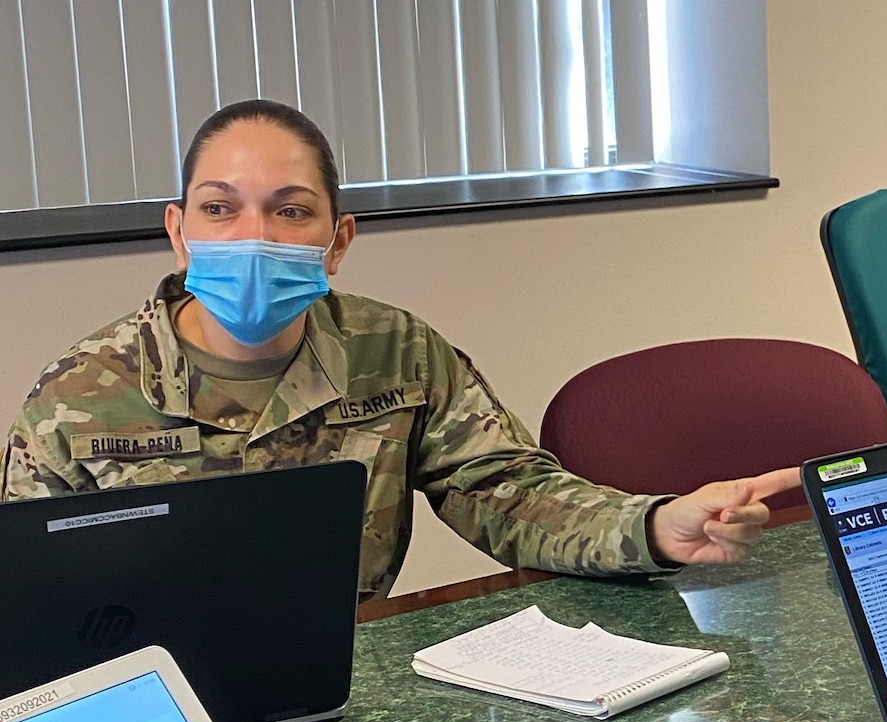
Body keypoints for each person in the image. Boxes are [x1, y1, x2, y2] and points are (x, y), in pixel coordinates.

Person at [2, 100, 798, 602]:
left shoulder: (396, 353)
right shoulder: (79, 397)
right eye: (220, 209)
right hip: (155, 718)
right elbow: (26, 602)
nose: (254, 237)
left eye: (291, 211)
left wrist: (655, 528)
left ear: (338, 241)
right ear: (179, 232)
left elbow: (506, 492)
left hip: (349, 691)